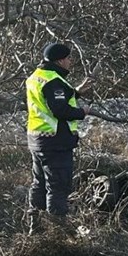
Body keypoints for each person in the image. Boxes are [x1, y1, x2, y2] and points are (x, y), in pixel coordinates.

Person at [25, 42, 96, 232]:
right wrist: (82, 112)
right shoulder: (53, 80)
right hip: (55, 142)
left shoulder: (36, 77)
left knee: (39, 184)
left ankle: (36, 228)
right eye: (69, 58)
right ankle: (57, 231)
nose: (71, 62)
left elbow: (51, 101)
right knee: (58, 186)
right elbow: (60, 109)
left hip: (37, 140)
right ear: (60, 60)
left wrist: (76, 92)